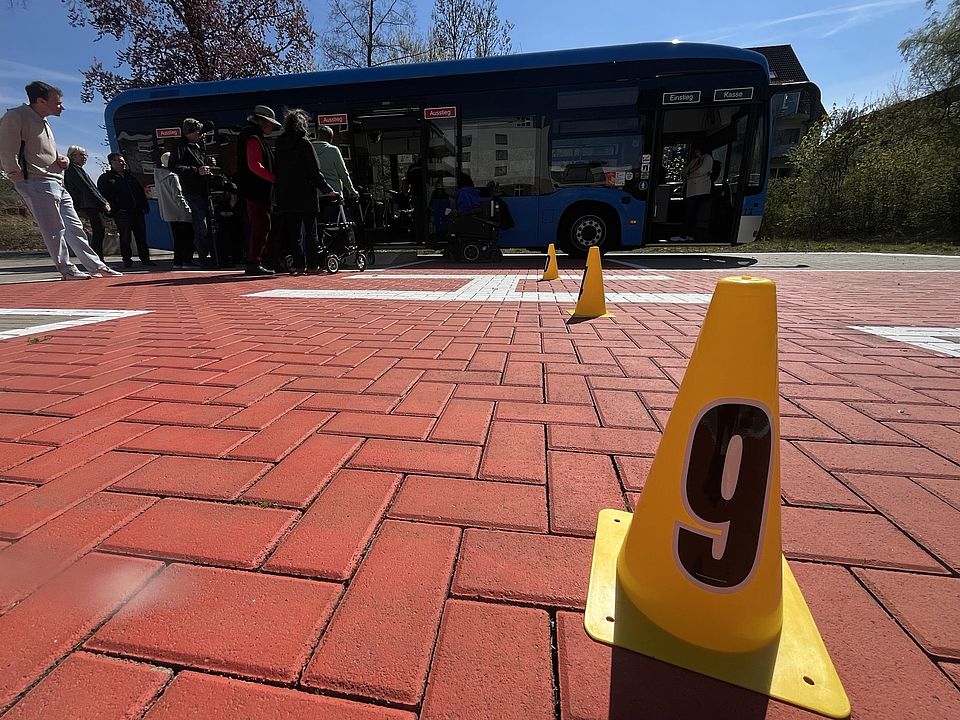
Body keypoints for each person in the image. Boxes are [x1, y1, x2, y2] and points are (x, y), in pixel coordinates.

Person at [0, 81, 121, 279]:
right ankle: (67, 269)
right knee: (54, 228)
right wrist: (17, 176)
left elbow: (41, 151)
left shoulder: (42, 120)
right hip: (36, 181)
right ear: (40, 101)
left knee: (74, 226)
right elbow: (7, 149)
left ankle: (95, 265)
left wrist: (60, 160)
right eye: (57, 103)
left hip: (55, 180)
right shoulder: (16, 116)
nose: (62, 107)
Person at [273, 109, 337, 274]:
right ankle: (313, 265)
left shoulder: (279, 144)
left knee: (294, 234)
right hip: (306, 194)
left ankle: (299, 265)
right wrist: (326, 188)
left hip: (286, 194)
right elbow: (313, 171)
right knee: (311, 232)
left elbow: (277, 169)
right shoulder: (304, 143)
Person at [235, 104, 281, 276]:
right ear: (262, 122)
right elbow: (254, 165)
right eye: (271, 123)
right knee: (261, 225)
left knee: (262, 225)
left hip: (256, 190)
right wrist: (274, 179)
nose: (273, 127)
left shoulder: (254, 136)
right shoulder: (253, 137)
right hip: (257, 191)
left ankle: (258, 260)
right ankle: (254, 261)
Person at [97, 153, 154, 268]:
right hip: (122, 213)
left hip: (137, 212)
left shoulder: (130, 177)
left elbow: (140, 193)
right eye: (120, 161)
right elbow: (103, 196)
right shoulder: (106, 179)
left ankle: (145, 259)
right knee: (125, 236)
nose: (123, 163)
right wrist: (114, 209)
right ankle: (127, 260)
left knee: (141, 236)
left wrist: (144, 207)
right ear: (112, 162)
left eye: (123, 161)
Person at [169, 117, 212, 263]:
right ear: (190, 132)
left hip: (204, 188)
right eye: (198, 132)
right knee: (201, 223)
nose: (201, 135)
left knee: (208, 222)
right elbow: (174, 166)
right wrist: (196, 170)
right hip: (192, 189)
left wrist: (207, 163)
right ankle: (203, 255)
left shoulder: (198, 145)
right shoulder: (180, 145)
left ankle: (211, 253)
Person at [63, 145, 111, 260]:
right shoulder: (73, 169)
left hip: (89, 203)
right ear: (73, 156)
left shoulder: (77, 169)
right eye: (82, 155)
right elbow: (87, 187)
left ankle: (97, 258)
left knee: (99, 230)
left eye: (86, 155)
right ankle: (97, 258)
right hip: (88, 204)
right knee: (99, 229)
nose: (85, 157)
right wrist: (103, 202)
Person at [154, 151, 194, 269]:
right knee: (186, 237)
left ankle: (178, 261)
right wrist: (187, 210)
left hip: (168, 212)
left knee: (177, 238)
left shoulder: (158, 175)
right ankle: (186, 260)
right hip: (180, 212)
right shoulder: (172, 176)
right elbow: (178, 196)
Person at [672, 142, 714, 242]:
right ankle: (688, 234)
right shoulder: (695, 160)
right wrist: (687, 174)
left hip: (699, 191)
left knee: (690, 213)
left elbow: (700, 171)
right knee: (689, 212)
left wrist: (689, 174)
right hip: (690, 190)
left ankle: (684, 235)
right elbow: (684, 172)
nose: (695, 152)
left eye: (697, 150)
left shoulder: (707, 159)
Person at [315, 124, 358, 222]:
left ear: (318, 136)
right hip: (333, 195)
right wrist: (352, 191)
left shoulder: (309, 149)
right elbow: (343, 173)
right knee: (337, 222)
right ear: (331, 139)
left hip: (315, 195)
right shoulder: (333, 150)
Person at [214, 185, 245, 268]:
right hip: (225, 227)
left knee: (237, 240)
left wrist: (231, 213)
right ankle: (224, 259)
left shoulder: (240, 203)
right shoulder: (223, 203)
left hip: (237, 226)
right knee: (224, 239)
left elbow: (238, 213)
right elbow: (219, 214)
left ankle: (237, 258)